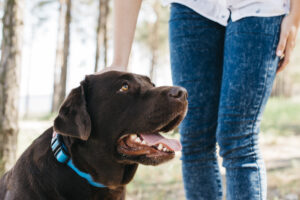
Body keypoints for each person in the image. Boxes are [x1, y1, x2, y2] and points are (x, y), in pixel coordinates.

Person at [110, 0, 300, 199]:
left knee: (238, 139)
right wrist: (119, 61)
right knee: (194, 138)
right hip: (193, 7)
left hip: (261, 8)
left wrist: (295, 14)